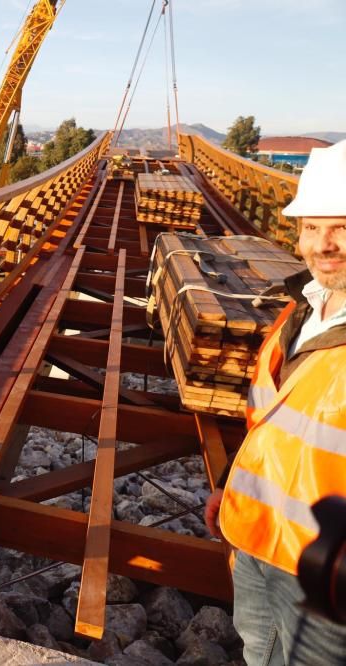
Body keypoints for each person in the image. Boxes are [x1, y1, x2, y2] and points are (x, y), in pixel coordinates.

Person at [204, 139, 346, 665]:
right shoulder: (302, 307)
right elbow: (272, 421)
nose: (323, 245)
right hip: (255, 536)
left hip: (322, 573)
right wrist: (230, 487)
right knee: (258, 653)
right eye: (312, 227)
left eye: (342, 228)